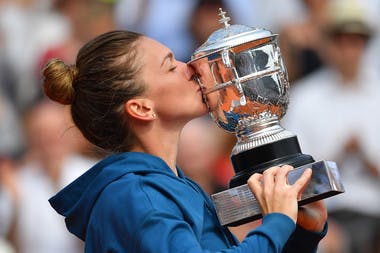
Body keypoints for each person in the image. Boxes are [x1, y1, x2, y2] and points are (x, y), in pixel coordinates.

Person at [42, 30, 328, 252]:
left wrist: (300, 235)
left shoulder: (168, 184)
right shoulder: (135, 195)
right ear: (141, 108)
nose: (190, 66)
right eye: (171, 66)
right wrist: (277, 222)